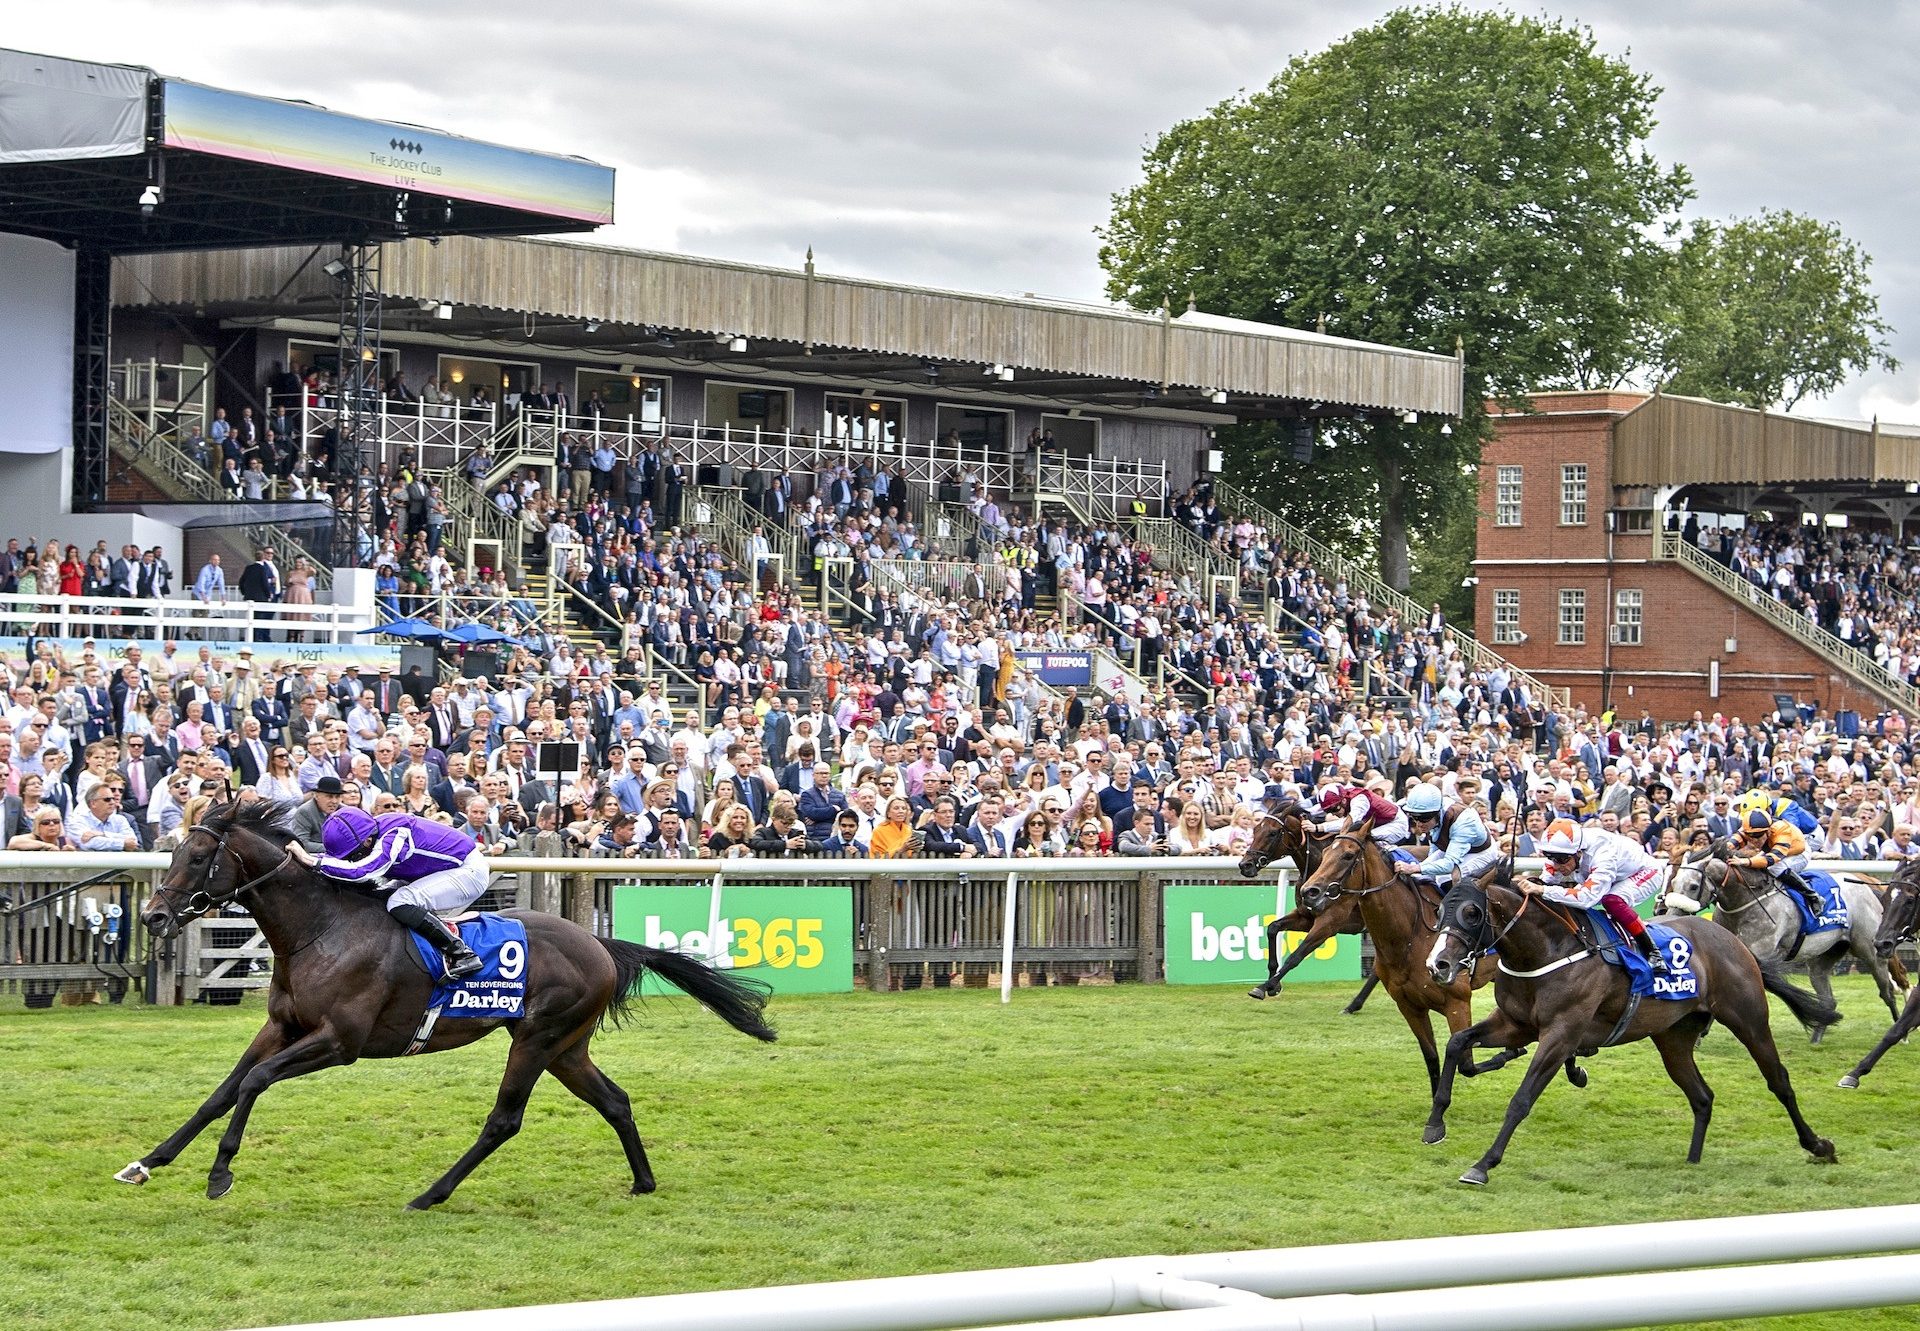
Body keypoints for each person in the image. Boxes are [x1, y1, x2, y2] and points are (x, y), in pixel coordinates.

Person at [287, 806, 486, 979]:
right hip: (439, 870)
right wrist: (307, 858)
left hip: (468, 870)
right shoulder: (371, 832)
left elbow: (362, 871)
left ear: (366, 842)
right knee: (380, 896)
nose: (351, 858)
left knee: (399, 901)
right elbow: (340, 863)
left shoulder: (395, 834)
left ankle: (461, 953)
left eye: (352, 854)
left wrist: (313, 861)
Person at [1534, 817, 1668, 974]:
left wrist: (1543, 890)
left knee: (1612, 901)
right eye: (1551, 858)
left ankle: (1653, 952)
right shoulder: (1564, 850)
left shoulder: (1603, 854)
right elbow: (1547, 878)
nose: (1556, 865)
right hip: (1616, 873)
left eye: (1562, 860)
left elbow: (1587, 899)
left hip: (1645, 871)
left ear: (1578, 852)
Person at [1397, 784, 1502, 893]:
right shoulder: (1435, 810)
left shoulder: (1463, 821)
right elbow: (1435, 847)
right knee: (1420, 875)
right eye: (1414, 817)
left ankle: (1451, 909)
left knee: (1446, 878)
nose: (1419, 824)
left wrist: (1413, 868)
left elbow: (1448, 865)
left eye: (1424, 818)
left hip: (1481, 852)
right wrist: (1420, 870)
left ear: (1437, 813)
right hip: (1453, 846)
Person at [1730, 808, 1825, 917]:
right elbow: (1735, 839)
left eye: (1758, 835)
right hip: (1774, 851)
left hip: (1798, 853)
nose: (1754, 840)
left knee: (1774, 868)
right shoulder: (1749, 828)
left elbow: (1773, 859)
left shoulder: (1782, 829)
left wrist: (1746, 862)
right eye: (1750, 836)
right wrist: (1727, 847)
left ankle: (1813, 896)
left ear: (1768, 830)